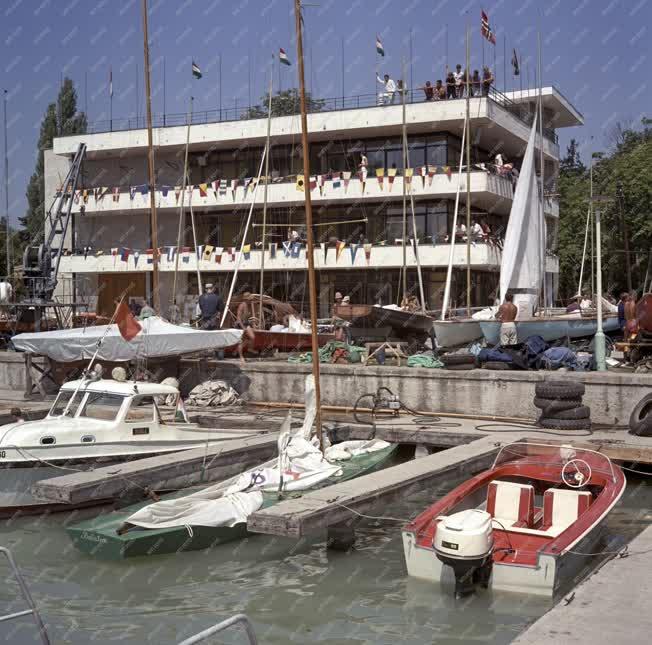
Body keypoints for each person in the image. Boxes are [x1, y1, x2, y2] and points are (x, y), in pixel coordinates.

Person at [235, 292, 257, 364]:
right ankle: (241, 357)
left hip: (246, 324)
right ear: (247, 299)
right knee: (241, 341)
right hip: (240, 325)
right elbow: (238, 318)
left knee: (252, 337)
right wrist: (242, 327)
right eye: (250, 299)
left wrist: (251, 320)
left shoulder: (248, 305)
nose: (251, 300)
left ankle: (250, 348)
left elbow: (245, 317)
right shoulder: (242, 305)